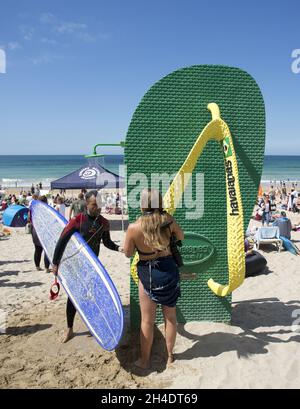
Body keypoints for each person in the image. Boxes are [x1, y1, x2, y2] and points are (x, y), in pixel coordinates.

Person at [123, 188, 184, 369]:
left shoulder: (134, 228)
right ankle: (170, 356)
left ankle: (145, 360)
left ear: (142, 205)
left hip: (148, 274)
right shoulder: (168, 221)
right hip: (168, 270)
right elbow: (181, 237)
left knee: (147, 321)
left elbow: (128, 254)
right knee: (170, 317)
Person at [52, 190, 123, 343]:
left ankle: (92, 324)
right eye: (94, 205)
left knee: (91, 296)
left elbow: (107, 243)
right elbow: (62, 240)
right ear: (87, 204)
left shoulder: (104, 223)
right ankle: (70, 329)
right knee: (74, 297)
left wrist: (118, 248)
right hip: (76, 265)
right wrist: (55, 262)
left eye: (100, 205)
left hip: (92, 266)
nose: (98, 208)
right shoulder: (78, 220)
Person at [28, 196, 51, 273]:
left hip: (35, 230)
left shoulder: (33, 208)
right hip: (44, 230)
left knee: (37, 249)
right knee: (46, 250)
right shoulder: (46, 209)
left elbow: (29, 218)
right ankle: (46, 268)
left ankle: (37, 267)